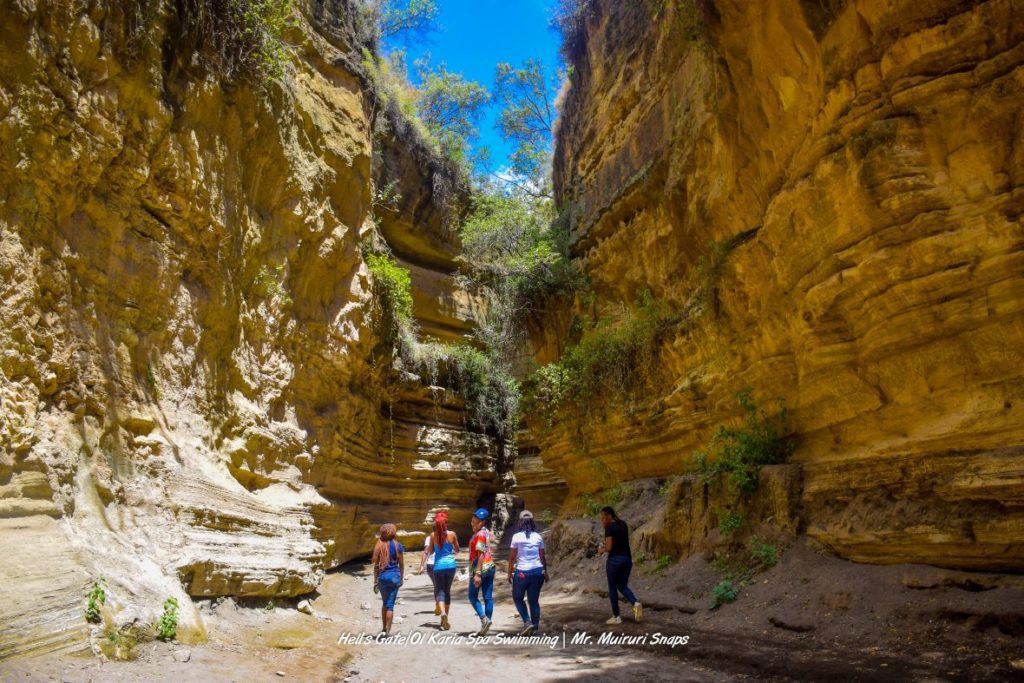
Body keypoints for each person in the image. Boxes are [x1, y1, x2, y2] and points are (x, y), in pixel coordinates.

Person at [598, 506, 642, 625]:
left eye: (603, 518)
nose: (602, 520)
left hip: (614, 561)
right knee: (622, 586)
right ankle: (635, 603)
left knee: (613, 588)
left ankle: (616, 616)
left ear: (609, 516)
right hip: (627, 560)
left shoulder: (609, 528)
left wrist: (601, 550)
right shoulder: (623, 524)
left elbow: (609, 547)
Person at [507, 510, 547, 635]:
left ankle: (527, 622)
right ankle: (534, 628)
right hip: (537, 571)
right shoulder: (538, 536)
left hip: (522, 572)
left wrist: (509, 572)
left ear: (520, 522)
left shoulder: (516, 537)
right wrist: (545, 572)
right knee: (533, 600)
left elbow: (512, 558)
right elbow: (542, 557)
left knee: (517, 598)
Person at [425, 510, 460, 631]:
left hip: (438, 566)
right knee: (447, 591)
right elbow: (457, 549)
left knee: (440, 591)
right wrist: (450, 549)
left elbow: (430, 552)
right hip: (451, 565)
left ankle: (443, 614)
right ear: (446, 522)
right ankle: (445, 618)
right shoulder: (452, 534)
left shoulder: (433, 535)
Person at [371, 523, 405, 636]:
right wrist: (402, 577)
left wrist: (375, 580)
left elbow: (376, 565)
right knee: (390, 605)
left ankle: (384, 629)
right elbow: (401, 564)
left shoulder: (380, 545)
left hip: (382, 577)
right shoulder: (398, 546)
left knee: (385, 603)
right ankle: (387, 631)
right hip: (394, 577)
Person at [467, 507, 496, 636]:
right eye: (472, 520)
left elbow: (481, 554)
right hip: (490, 566)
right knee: (488, 597)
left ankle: (484, 619)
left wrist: (477, 573)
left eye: (475, 521)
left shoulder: (479, 535)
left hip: (481, 567)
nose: (472, 523)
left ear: (482, 522)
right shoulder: (485, 532)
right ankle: (486, 624)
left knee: (472, 596)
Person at [417, 531, 439, 615]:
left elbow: (426, 552)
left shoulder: (429, 538)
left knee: (436, 585)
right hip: (443, 564)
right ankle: (440, 605)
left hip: (431, 564)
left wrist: (422, 566)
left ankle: (438, 604)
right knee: (440, 586)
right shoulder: (448, 535)